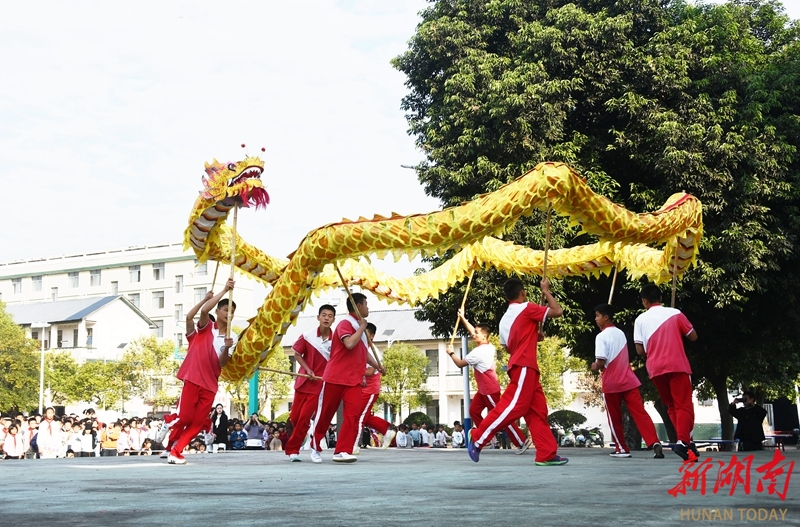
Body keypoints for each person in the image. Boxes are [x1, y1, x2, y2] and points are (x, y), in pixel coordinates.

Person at [467, 277, 568, 466]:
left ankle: (546, 453)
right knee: (513, 407)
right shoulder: (527, 307)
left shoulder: (505, 319)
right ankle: (478, 437)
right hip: (524, 366)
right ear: (522, 292)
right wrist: (545, 290)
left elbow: (508, 347)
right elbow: (557, 311)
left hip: (522, 365)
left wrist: (532, 336)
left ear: (506, 297)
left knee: (538, 412)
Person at [166, 279, 237, 465]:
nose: (229, 314)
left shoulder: (232, 337)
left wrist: (227, 348)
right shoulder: (206, 329)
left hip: (210, 384)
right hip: (193, 378)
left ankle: (176, 451)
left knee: (197, 423)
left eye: (232, 312)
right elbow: (202, 312)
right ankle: (169, 423)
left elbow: (222, 363)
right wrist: (223, 290)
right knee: (186, 418)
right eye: (225, 310)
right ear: (218, 312)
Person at [309, 293, 383, 463]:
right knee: (325, 414)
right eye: (366, 304)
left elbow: (364, 354)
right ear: (358, 306)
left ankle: (342, 451)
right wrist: (361, 327)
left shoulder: (361, 330)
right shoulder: (346, 323)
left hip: (354, 381)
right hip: (335, 377)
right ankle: (315, 446)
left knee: (353, 416)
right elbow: (349, 344)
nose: (368, 308)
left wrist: (378, 366)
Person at [446, 308, 531, 454]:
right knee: (473, 411)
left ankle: (521, 441)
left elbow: (460, 364)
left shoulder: (478, 352)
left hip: (490, 391)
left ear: (484, 336)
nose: (473, 334)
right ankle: (486, 436)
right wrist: (463, 318)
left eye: (476, 333)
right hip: (483, 390)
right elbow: (474, 330)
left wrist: (451, 353)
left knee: (502, 417)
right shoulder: (488, 346)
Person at [634, 283, 698, 462]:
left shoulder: (640, 319)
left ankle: (686, 443)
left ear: (644, 301)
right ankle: (684, 441)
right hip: (678, 365)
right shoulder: (675, 313)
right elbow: (693, 336)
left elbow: (639, 350)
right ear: (660, 298)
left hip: (655, 368)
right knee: (683, 405)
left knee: (671, 406)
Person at [590, 303, 664, 459]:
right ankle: (654, 441)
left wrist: (594, 366)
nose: (596, 319)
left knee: (614, 418)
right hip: (629, 381)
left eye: (597, 316)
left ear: (606, 317)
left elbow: (601, 361)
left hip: (611, 383)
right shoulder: (621, 334)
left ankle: (622, 449)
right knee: (640, 413)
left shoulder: (601, 337)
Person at [285, 304, 335, 462]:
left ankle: (293, 450)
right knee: (294, 418)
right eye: (324, 315)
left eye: (330, 316)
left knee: (304, 418)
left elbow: (336, 362)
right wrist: (308, 370)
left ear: (333, 319)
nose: (326, 318)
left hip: (319, 385)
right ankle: (297, 441)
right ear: (318, 317)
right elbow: (297, 354)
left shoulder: (336, 341)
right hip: (303, 381)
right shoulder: (307, 335)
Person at [352, 322, 396, 454]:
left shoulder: (374, 351)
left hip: (370, 390)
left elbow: (370, 371)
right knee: (362, 416)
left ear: (371, 336)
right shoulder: (360, 347)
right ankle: (387, 429)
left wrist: (352, 370)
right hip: (360, 388)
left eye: (364, 333)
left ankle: (354, 445)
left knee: (359, 417)